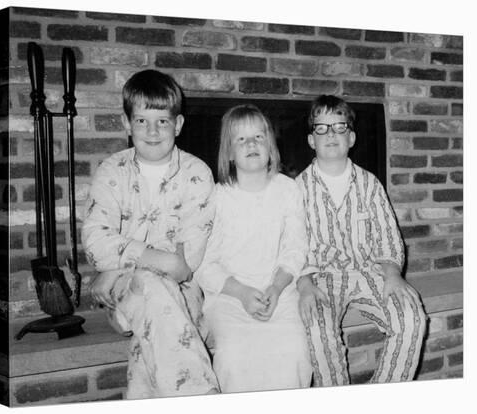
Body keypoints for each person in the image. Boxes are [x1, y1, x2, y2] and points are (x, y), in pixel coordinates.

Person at [81, 69, 219, 399]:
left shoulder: (197, 173)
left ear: (179, 124)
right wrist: (149, 259)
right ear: (127, 124)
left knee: (153, 329)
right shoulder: (112, 170)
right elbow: (94, 243)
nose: (153, 131)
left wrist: (114, 266)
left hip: (182, 291)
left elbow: (185, 266)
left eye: (162, 121)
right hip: (126, 287)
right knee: (154, 287)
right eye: (142, 121)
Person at [295, 95, 427, 386]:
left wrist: (393, 274)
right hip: (322, 276)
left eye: (339, 127)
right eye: (322, 128)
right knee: (317, 328)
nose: (331, 134)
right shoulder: (298, 189)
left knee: (411, 317)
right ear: (310, 140)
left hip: (370, 271)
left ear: (351, 137)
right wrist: (304, 284)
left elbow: (387, 234)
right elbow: (291, 243)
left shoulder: (369, 184)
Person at [194, 104, 312, 393]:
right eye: (241, 139)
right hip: (230, 296)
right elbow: (204, 264)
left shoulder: (287, 189)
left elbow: (296, 247)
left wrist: (277, 286)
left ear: (270, 147)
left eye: (258, 137)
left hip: (280, 292)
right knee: (234, 358)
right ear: (230, 152)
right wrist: (243, 293)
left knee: (295, 352)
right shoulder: (217, 198)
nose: (251, 144)